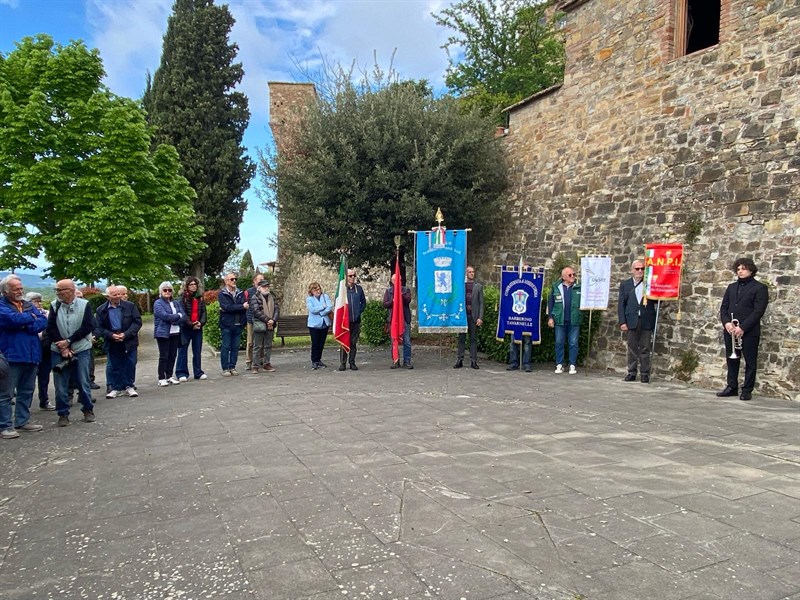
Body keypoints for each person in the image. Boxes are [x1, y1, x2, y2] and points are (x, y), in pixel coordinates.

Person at [0, 276, 48, 439]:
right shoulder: (1, 305)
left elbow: (42, 321)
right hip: (11, 356)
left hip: (31, 354)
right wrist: (29, 319)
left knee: (27, 390)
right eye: (16, 289)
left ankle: (22, 421)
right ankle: (5, 425)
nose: (20, 291)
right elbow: (10, 319)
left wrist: (25, 324)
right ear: (6, 291)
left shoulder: (27, 304)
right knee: (6, 393)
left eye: (21, 288)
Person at [717, 257, 769, 401]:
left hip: (749, 331)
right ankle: (731, 387)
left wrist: (743, 327)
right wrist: (727, 323)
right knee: (732, 359)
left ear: (751, 270)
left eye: (743, 269)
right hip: (731, 330)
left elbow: (758, 311)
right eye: (738, 269)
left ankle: (747, 390)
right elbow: (724, 308)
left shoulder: (760, 288)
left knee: (750, 361)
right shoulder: (731, 287)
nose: (740, 271)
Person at [47, 279, 97, 427]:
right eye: (56, 290)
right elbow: (50, 327)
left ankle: (88, 410)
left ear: (70, 290)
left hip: (80, 348)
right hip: (58, 349)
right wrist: (62, 346)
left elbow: (88, 326)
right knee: (60, 384)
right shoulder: (54, 305)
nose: (57, 293)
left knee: (83, 381)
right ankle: (63, 414)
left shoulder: (84, 305)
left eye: (60, 290)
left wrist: (69, 341)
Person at [95, 285, 142, 397]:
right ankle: (116, 387)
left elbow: (137, 322)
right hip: (112, 341)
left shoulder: (130, 306)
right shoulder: (101, 310)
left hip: (129, 340)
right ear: (107, 297)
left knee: (130, 363)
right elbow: (99, 327)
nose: (117, 296)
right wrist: (111, 335)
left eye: (118, 294)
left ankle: (129, 386)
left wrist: (125, 334)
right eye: (114, 295)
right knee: (115, 364)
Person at [618, 259, 657, 383]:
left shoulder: (650, 284)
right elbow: (621, 305)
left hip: (646, 319)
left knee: (645, 348)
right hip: (631, 320)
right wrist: (622, 322)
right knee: (632, 348)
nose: (640, 271)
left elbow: (656, 301)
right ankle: (632, 372)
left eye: (642, 269)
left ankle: (645, 373)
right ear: (632, 270)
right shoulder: (626, 284)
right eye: (637, 269)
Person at [547, 266, 582, 375]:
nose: (573, 277)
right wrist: (550, 318)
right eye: (570, 275)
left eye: (574, 274)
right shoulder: (556, 287)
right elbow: (551, 303)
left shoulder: (579, 286)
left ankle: (572, 364)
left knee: (573, 343)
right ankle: (559, 364)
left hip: (574, 320)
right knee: (559, 342)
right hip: (560, 319)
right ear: (563, 277)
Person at [25, 292, 55, 410]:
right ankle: (26, 405)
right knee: (28, 379)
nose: (39, 303)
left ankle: (44, 400)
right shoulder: (25, 314)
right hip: (30, 350)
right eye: (35, 301)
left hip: (45, 349)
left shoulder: (46, 314)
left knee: (44, 377)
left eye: (39, 301)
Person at [176, 276, 208, 382]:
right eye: (191, 284)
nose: (194, 286)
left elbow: (204, 312)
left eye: (195, 284)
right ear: (186, 286)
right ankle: (181, 373)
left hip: (197, 328)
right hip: (186, 328)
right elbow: (182, 314)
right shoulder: (181, 298)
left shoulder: (200, 298)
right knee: (183, 350)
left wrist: (201, 323)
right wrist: (191, 324)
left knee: (197, 351)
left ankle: (198, 372)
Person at [153, 282, 184, 387]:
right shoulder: (158, 303)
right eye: (165, 290)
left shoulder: (176, 303)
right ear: (160, 291)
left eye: (169, 290)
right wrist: (177, 316)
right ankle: (161, 377)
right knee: (164, 356)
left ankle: (169, 376)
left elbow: (183, 316)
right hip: (163, 333)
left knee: (173, 355)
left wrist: (175, 318)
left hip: (175, 332)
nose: (167, 292)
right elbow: (164, 316)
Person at [218, 273, 248, 376]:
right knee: (226, 346)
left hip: (238, 324)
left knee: (235, 347)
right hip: (227, 325)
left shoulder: (240, 293)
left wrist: (237, 307)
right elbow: (227, 307)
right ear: (226, 281)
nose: (234, 281)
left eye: (235, 279)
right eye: (231, 279)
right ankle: (225, 368)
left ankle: (232, 367)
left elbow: (245, 306)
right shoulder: (222, 294)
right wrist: (241, 307)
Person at [455, 265, 484, 370]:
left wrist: (480, 317)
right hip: (462, 316)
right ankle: (460, 359)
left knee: (473, 339)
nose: (472, 273)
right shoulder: (461, 286)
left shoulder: (478, 286)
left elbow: (481, 303)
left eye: (473, 272)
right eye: (470, 272)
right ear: (466, 273)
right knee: (461, 339)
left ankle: (473, 360)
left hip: (473, 316)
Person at [339, 269, 367, 371]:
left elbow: (363, 302)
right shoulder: (342, 290)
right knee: (344, 342)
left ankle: (352, 362)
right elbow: (338, 304)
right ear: (346, 277)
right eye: (350, 276)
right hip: (345, 321)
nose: (352, 278)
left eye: (354, 276)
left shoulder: (358, 289)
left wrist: (359, 311)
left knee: (353, 342)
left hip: (356, 320)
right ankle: (342, 363)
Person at [383, 273, 413, 369]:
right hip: (393, 320)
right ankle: (395, 360)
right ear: (392, 281)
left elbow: (408, 300)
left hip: (404, 319)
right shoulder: (388, 291)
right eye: (395, 280)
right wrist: (393, 301)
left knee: (407, 341)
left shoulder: (405, 290)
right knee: (394, 341)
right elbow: (385, 304)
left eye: (399, 280)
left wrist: (401, 296)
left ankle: (407, 361)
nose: (398, 282)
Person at [251, 280, 279, 373]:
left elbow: (276, 310)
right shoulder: (255, 297)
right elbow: (256, 311)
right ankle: (255, 365)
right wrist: (268, 320)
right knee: (257, 346)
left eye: (267, 286)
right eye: (264, 287)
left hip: (270, 324)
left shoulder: (273, 297)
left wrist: (273, 320)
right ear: (259, 288)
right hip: (260, 324)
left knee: (268, 345)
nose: (266, 288)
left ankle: (266, 363)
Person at [306, 282, 332, 369]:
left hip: (324, 323)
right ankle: (314, 360)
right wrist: (322, 306)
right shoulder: (309, 299)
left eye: (318, 289)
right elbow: (312, 310)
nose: (318, 291)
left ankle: (319, 359)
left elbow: (329, 307)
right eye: (315, 289)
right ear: (311, 291)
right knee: (315, 343)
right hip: (314, 325)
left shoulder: (325, 296)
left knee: (321, 343)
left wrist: (321, 313)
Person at [244, 273, 265, 370]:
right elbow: (246, 305)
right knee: (250, 342)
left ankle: (260, 359)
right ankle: (249, 361)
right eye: (259, 279)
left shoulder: (265, 290)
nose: (261, 281)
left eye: (263, 279)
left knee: (261, 341)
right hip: (251, 319)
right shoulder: (248, 291)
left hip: (262, 319)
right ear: (254, 281)